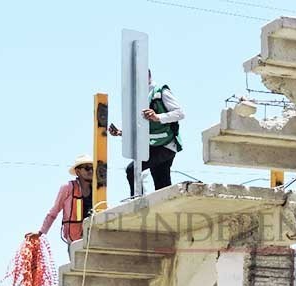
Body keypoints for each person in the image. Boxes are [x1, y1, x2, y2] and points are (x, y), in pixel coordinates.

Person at [109, 69, 185, 197]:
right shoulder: (140, 98)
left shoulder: (160, 91)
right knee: (162, 185)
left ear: (148, 76)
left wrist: (158, 117)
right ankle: (160, 209)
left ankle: (138, 201)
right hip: (154, 145)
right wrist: (121, 133)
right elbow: (143, 129)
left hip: (166, 145)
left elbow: (180, 113)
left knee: (132, 170)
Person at [28, 155, 94, 251]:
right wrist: (41, 232)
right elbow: (54, 211)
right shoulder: (67, 188)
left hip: (93, 238)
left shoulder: (98, 190)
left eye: (92, 168)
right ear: (78, 172)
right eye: (87, 168)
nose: (91, 171)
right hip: (75, 239)